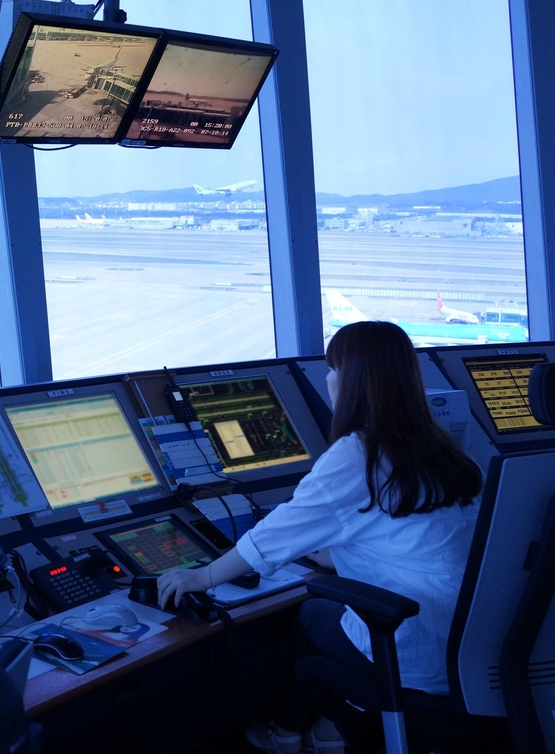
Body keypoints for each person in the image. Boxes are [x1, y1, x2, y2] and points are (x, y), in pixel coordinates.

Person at [156, 321, 482, 754]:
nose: (328, 378)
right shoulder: (436, 445)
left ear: (349, 381)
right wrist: (325, 549)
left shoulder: (356, 455)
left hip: (417, 650)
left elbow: (266, 541)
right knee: (326, 601)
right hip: (471, 644)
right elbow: (396, 538)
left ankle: (286, 734)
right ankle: (328, 730)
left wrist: (201, 578)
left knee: (310, 615)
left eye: (332, 368)